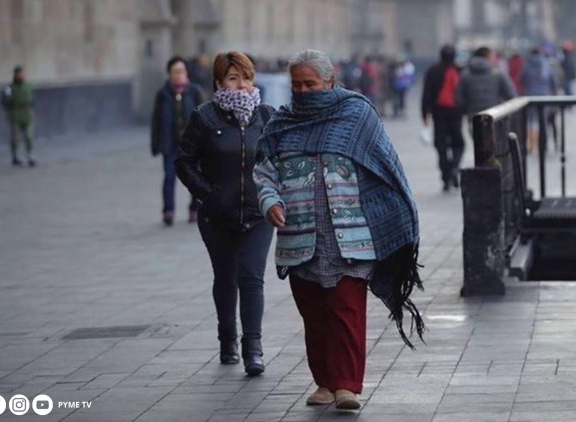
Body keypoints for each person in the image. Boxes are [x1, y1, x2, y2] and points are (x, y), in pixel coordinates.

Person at [253, 49, 424, 410]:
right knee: (314, 314)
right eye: (296, 85)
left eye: (310, 84)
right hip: (299, 237)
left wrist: (390, 215)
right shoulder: (281, 125)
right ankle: (324, 383)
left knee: (345, 310)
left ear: (329, 81)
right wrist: (270, 202)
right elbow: (265, 171)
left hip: (350, 235)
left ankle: (347, 385)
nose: (302, 92)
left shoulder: (356, 115)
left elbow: (383, 166)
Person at [176, 52, 275, 375]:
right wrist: (208, 193)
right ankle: (227, 338)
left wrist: (273, 195)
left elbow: (280, 160)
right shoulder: (205, 117)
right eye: (234, 78)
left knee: (251, 276)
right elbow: (184, 162)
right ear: (219, 82)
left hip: (258, 215)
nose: (242, 85)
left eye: (247, 77)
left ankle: (254, 348)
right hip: (217, 216)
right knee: (226, 277)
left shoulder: (266, 116)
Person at [151, 56, 204, 226]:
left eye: (181, 71)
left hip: (192, 145)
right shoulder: (163, 94)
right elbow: (156, 120)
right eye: (174, 72)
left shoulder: (195, 92)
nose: (178, 75)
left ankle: (194, 209)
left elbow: (204, 119)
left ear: (186, 72)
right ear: (169, 74)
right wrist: (155, 144)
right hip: (170, 143)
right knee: (169, 177)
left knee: (195, 177)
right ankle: (168, 210)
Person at [422, 45, 465, 192]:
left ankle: (445, 177)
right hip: (456, 113)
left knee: (441, 146)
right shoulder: (460, 70)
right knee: (458, 143)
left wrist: (424, 114)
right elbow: (465, 93)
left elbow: (426, 94)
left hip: (438, 113)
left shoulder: (432, 71)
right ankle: (454, 168)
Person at [456, 47, 517, 121]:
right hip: (495, 115)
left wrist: (466, 110)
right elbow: (511, 95)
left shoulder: (465, 74)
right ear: (488, 57)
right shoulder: (498, 74)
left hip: (473, 116)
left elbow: (459, 97)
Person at [521, 48, 557, 154]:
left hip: (530, 96)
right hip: (544, 97)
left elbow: (522, 79)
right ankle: (542, 145)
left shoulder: (527, 65)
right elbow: (553, 82)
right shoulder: (546, 65)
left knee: (530, 121)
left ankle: (529, 145)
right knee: (543, 122)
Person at [2, 66, 35, 167]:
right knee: (16, 137)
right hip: (15, 115)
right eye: (19, 74)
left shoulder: (28, 86)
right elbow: (5, 101)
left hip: (27, 114)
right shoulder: (10, 88)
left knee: (29, 136)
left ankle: (30, 155)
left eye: (23, 73)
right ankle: (15, 156)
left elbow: (32, 99)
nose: (22, 75)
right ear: (15, 75)